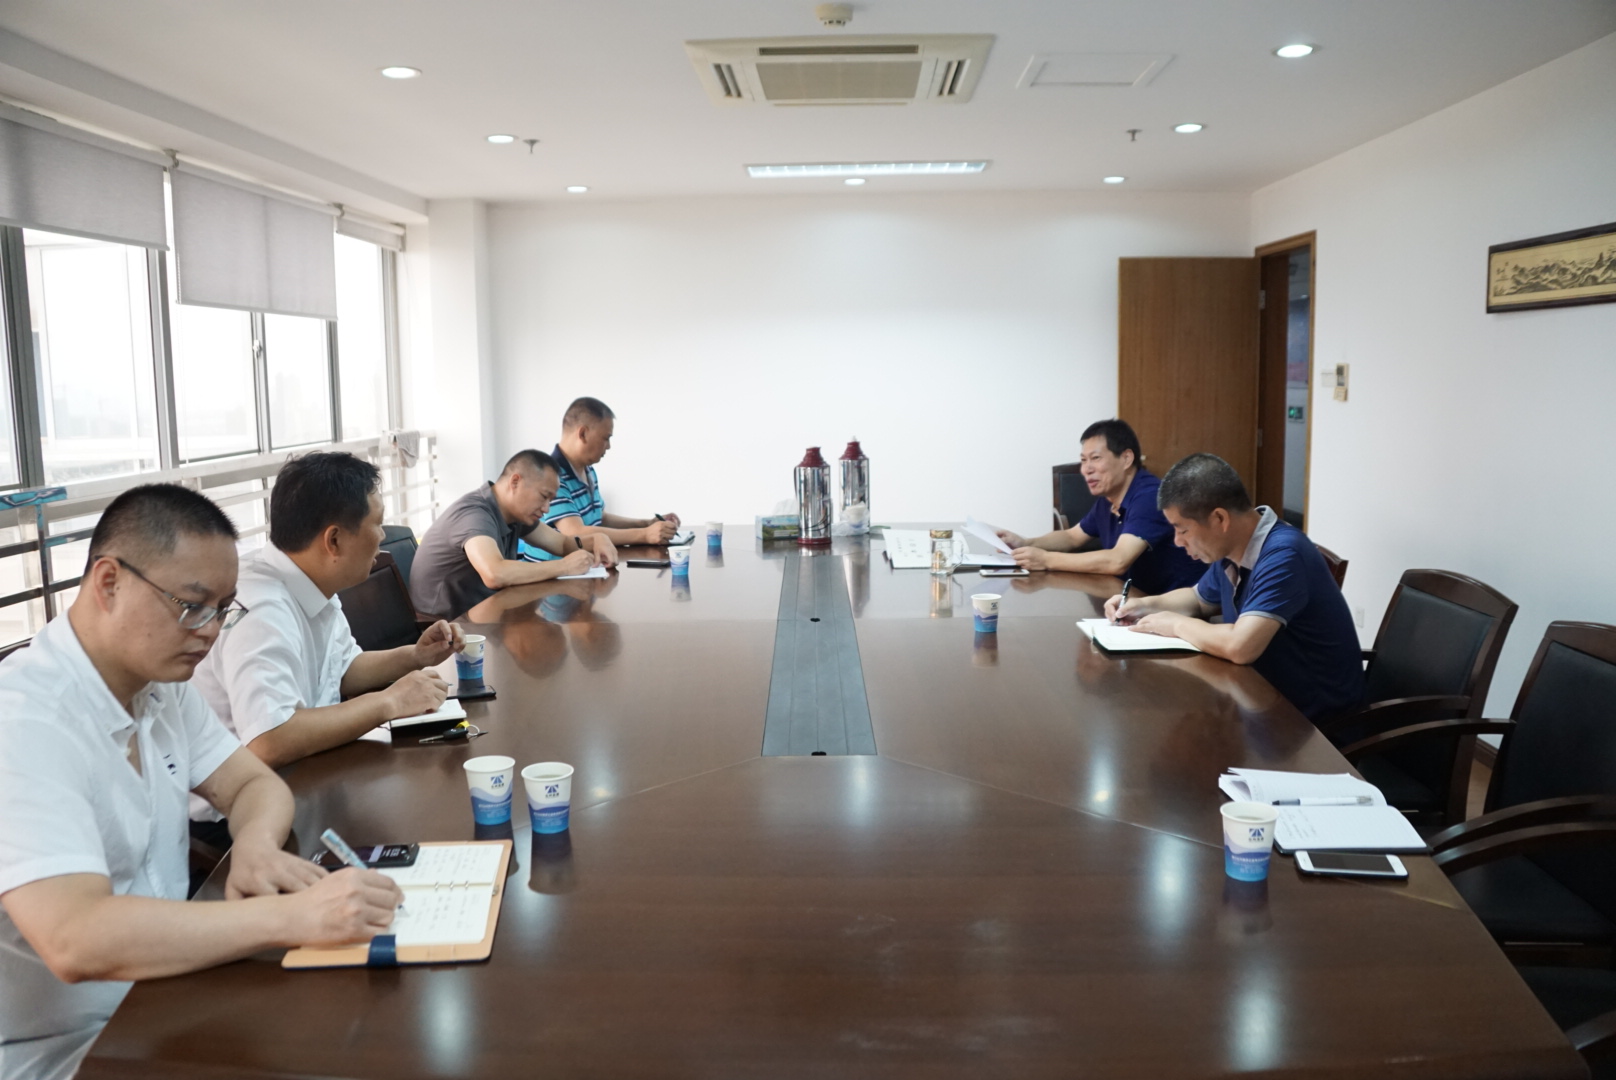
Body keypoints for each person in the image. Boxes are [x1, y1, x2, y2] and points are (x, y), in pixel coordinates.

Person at [0, 485, 402, 1080]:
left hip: (166, 993)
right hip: (70, 1052)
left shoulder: (159, 688)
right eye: (192, 605)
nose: (211, 632)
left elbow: (253, 785)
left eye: (223, 608)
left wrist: (256, 847)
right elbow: (74, 939)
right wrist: (292, 917)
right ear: (108, 582)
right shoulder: (25, 721)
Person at [190, 452, 463, 786]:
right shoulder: (261, 608)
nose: (382, 536)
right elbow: (269, 740)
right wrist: (390, 701)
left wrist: (415, 656)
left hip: (309, 776)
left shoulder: (310, 580)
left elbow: (342, 669)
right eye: (377, 523)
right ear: (333, 540)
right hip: (244, 804)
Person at [1105, 453, 1365, 723]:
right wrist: (1144, 605)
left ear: (1220, 519)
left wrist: (1176, 624)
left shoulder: (1284, 555)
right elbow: (1198, 599)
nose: (1178, 542)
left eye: (1182, 530)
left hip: (1313, 725)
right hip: (1260, 702)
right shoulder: (1232, 548)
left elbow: (1240, 646)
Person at [994, 419, 1202, 595]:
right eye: (1083, 460)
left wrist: (1046, 559)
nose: (1086, 469)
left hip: (1173, 608)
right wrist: (1026, 542)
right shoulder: (1108, 498)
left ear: (1126, 459)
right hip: (1131, 599)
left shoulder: (1149, 496)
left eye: (1095, 458)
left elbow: (1117, 560)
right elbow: (1072, 537)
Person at [411, 449, 617, 621]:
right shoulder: (474, 514)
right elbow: (495, 574)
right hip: (442, 628)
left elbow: (561, 543)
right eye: (544, 496)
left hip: (480, 617)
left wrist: (597, 539)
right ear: (515, 482)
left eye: (551, 500)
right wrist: (564, 566)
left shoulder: (515, 514)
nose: (546, 508)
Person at [520, 397, 681, 559]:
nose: (608, 446)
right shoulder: (552, 477)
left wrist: (647, 524)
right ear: (583, 434)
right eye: (606, 438)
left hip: (584, 565)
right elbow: (575, 532)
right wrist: (644, 534)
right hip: (554, 571)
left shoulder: (588, 470)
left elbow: (600, 517)